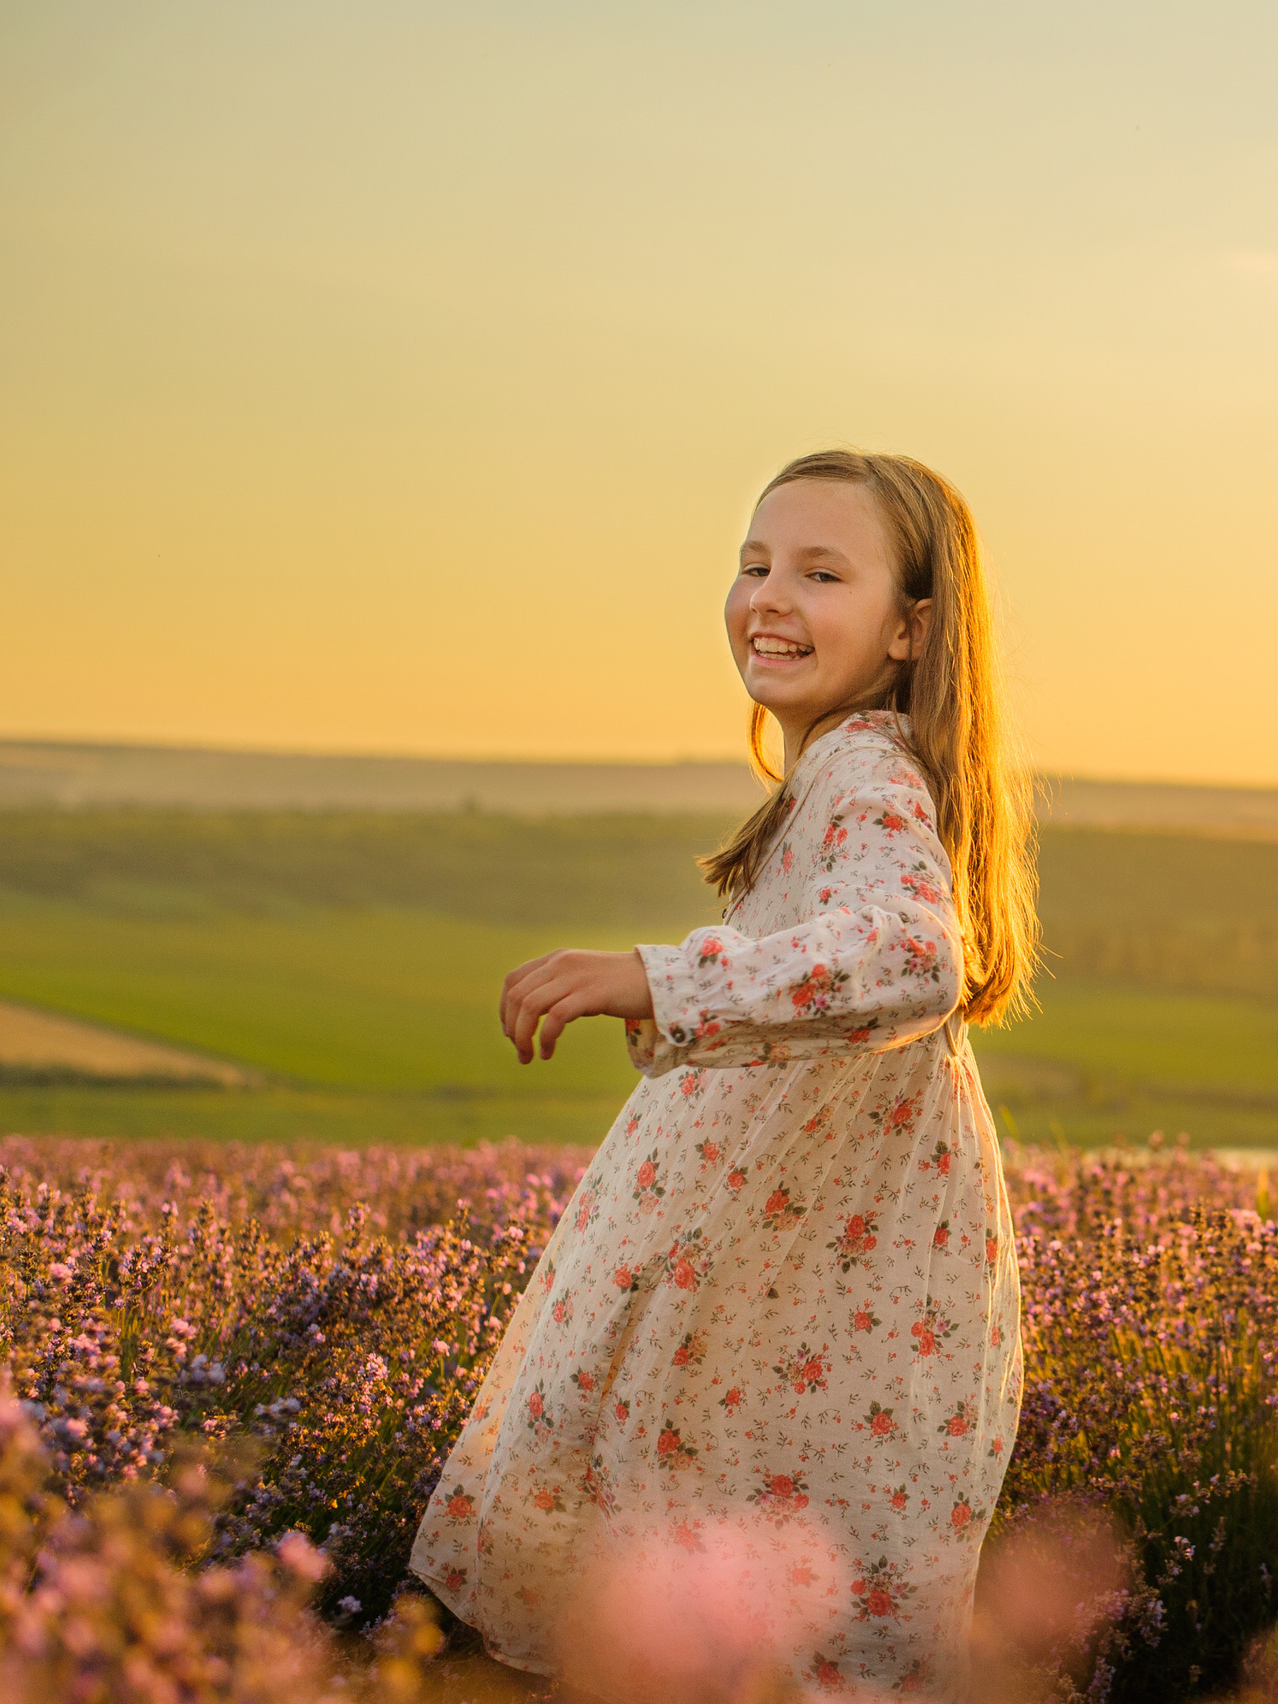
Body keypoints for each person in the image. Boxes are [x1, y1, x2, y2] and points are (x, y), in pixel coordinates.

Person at [409, 450, 1036, 1700]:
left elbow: (912, 954)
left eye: (821, 574)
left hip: (813, 1326)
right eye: (754, 565)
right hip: (780, 1306)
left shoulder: (865, 771)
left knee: (766, 1636)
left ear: (912, 630)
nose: (769, 598)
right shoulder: (832, 776)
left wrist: (656, 979)